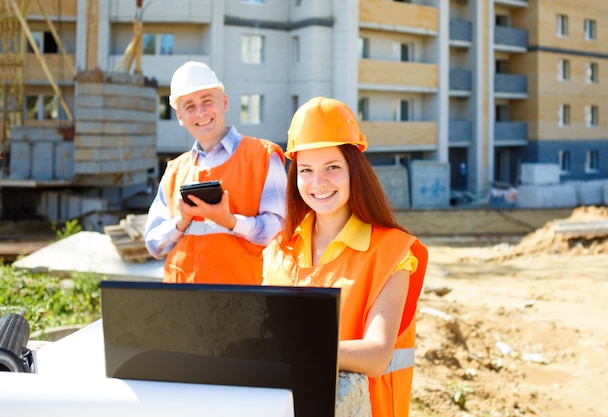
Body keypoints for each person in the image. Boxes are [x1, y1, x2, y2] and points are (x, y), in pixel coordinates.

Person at [262, 97, 428, 417]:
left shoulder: (392, 252)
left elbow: (377, 355)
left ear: (355, 171)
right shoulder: (277, 253)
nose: (318, 182)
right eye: (306, 170)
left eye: (332, 167)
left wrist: (294, 350)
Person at [144, 61, 287, 284]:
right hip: (181, 303)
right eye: (189, 106)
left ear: (225, 102)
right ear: (180, 117)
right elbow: (154, 244)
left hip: (242, 302)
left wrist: (230, 221)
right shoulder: (174, 171)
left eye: (207, 101)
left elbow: (279, 232)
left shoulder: (262, 157)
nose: (200, 112)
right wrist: (181, 221)